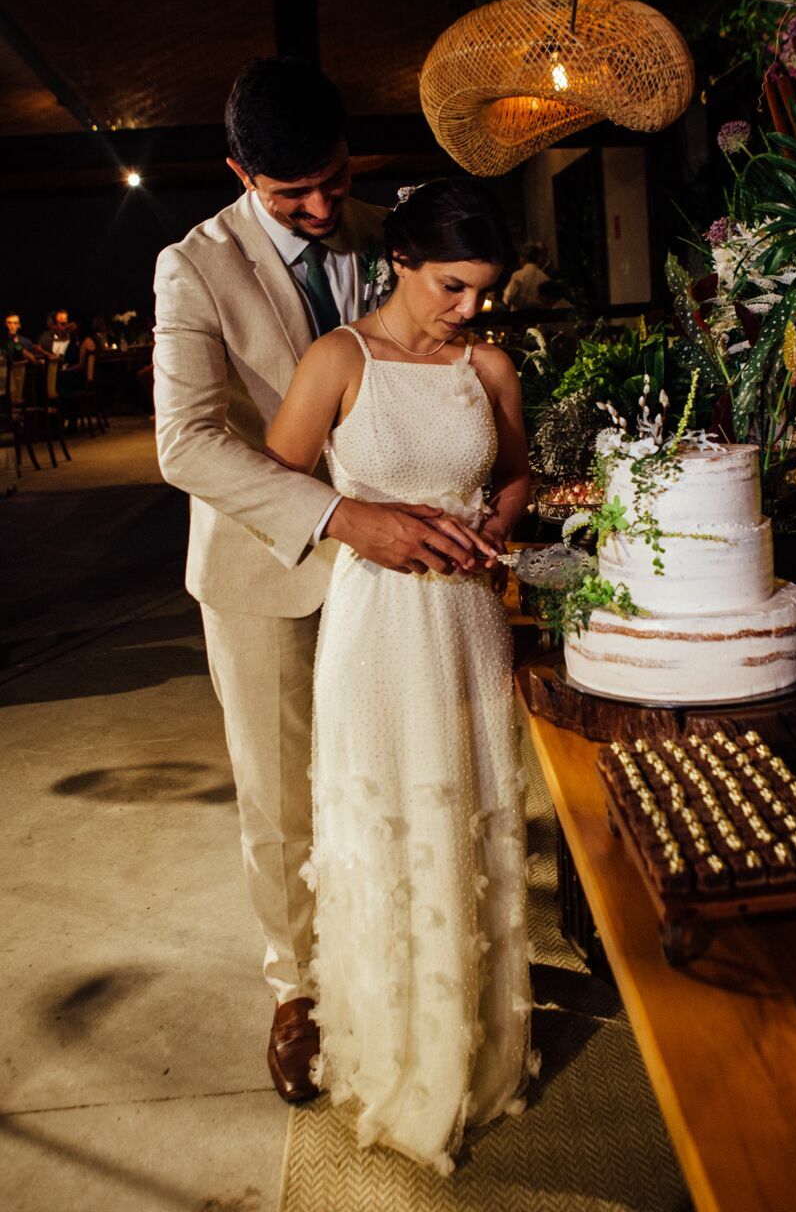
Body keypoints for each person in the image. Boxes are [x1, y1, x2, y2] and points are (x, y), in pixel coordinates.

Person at [153, 58, 485, 1106]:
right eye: (290, 190)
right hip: (270, 569)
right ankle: (299, 988)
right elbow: (186, 444)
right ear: (237, 170)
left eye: (335, 179)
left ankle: (409, 948)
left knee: (412, 766)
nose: (321, 206)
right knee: (285, 792)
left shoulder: (392, 232)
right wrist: (344, 518)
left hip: (402, 584)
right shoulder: (190, 266)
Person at [265, 177, 534, 1172]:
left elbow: (513, 471)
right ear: (400, 265)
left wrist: (495, 528)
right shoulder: (340, 359)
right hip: (374, 625)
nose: (470, 308)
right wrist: (360, 526)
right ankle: (388, 1052)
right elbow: (280, 475)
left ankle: (472, 1045)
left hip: (465, 620)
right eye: (452, 287)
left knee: (462, 816)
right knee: (388, 828)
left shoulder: (489, 365)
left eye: (483, 290)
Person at [502, 242, 550, 312]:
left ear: (523, 258)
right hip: (539, 318)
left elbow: (507, 297)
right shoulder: (545, 278)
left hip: (519, 317)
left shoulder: (517, 275)